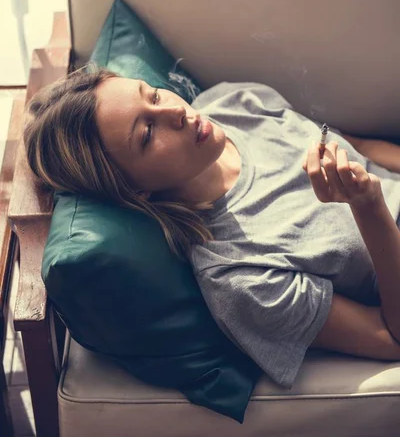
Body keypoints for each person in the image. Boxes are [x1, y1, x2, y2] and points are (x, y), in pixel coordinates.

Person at [24, 63, 400, 389]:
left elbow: (362, 147)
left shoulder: (233, 102)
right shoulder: (240, 277)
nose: (176, 112)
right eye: (147, 133)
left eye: (153, 95)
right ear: (132, 189)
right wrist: (369, 208)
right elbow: (390, 336)